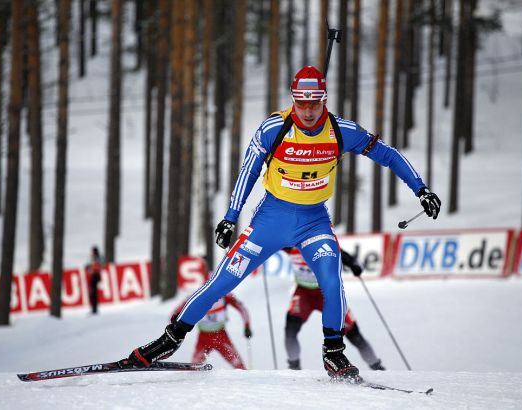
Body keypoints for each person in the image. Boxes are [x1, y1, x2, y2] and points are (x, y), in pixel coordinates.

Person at [119, 65, 441, 380]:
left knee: (332, 280)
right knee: (223, 282)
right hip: (270, 221)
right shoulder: (274, 128)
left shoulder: (342, 131)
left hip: (314, 222)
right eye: (302, 103)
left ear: (324, 100)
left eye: (315, 103)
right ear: (293, 100)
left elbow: (387, 154)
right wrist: (231, 217)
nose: (309, 111)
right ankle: (169, 340)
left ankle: (333, 353)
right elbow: (248, 170)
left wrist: (421, 189)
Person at [282, 247, 385, 371]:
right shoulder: (291, 244)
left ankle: (377, 367)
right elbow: (270, 239)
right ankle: (294, 367)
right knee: (290, 330)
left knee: (354, 335)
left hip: (326, 294)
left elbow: (339, 252)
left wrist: (352, 264)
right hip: (304, 294)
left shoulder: (318, 242)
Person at [171, 293, 252, 369]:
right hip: (203, 337)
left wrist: (247, 326)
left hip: (220, 336)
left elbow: (242, 308)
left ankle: (247, 382)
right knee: (195, 366)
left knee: (238, 365)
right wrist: (175, 322)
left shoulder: (225, 295)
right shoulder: (198, 295)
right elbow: (176, 311)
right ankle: (193, 383)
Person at [86, 246, 103, 315]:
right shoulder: (94, 258)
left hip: (95, 276)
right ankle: (94, 308)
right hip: (94, 276)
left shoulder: (97, 258)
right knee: (93, 294)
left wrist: (90, 268)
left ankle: (94, 309)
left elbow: (97, 267)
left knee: (93, 293)